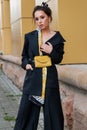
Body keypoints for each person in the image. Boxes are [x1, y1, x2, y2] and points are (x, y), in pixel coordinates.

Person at [14, 2, 65, 130]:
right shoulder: (30, 37)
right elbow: (24, 57)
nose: (39, 21)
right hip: (33, 79)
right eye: (36, 19)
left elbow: (58, 59)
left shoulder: (57, 38)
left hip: (49, 81)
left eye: (42, 17)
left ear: (49, 17)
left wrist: (51, 51)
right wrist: (26, 65)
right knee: (26, 114)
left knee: (53, 114)